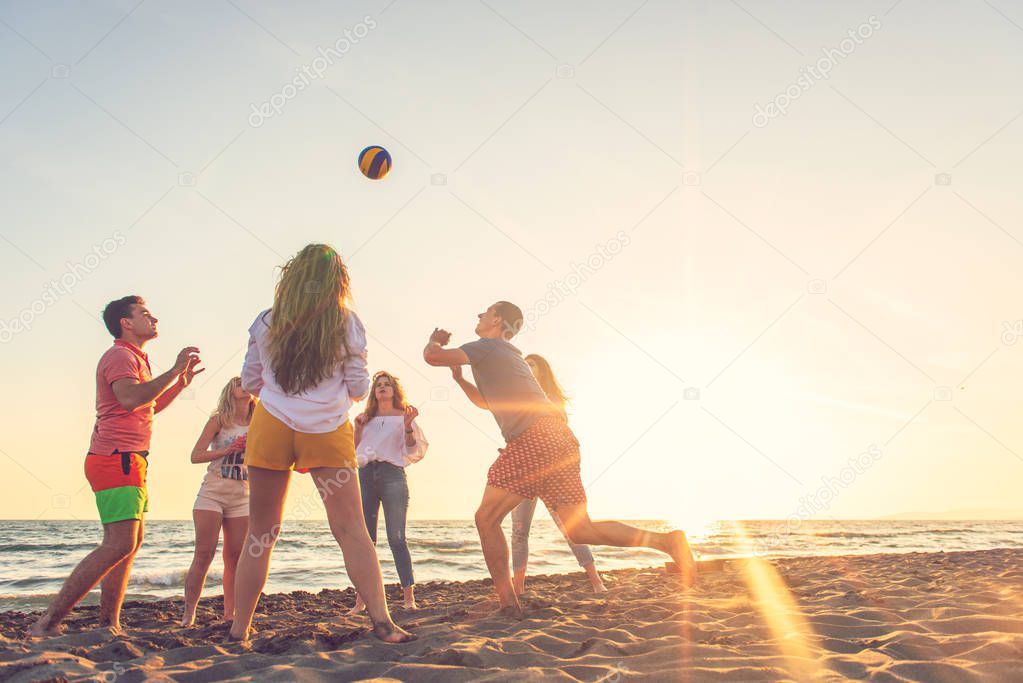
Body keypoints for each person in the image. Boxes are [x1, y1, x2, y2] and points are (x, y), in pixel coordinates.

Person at [424, 301, 696, 615]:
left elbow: (432, 357)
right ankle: (667, 542)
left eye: (484, 312)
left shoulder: (488, 346)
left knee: (486, 519)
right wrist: (460, 380)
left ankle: (508, 603)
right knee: (581, 530)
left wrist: (435, 340)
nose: (479, 315)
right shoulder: (508, 357)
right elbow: (486, 403)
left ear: (497, 319)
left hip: (533, 438)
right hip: (559, 439)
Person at [229, 243, 415, 644]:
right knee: (350, 530)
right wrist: (329, 399)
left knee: (261, 533)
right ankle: (382, 623)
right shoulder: (347, 322)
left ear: (292, 277)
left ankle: (239, 629)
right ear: (338, 282)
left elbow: (249, 383)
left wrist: (283, 397)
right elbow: (359, 386)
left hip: (271, 426)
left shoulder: (265, 321)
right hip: (327, 429)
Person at [29, 296, 202, 637]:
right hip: (116, 458)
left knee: (130, 542)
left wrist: (179, 382)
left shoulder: (136, 358)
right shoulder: (120, 356)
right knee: (119, 543)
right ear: (126, 322)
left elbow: (145, 405)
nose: (153, 318)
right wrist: (174, 370)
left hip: (130, 459)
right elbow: (130, 398)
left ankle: (109, 623)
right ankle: (47, 622)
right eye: (145, 314)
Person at [451, 353, 606, 595]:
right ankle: (518, 586)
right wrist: (461, 380)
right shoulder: (516, 394)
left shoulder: (550, 399)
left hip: (550, 470)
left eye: (531, 364)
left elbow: (552, 434)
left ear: (541, 371)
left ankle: (596, 580)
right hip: (523, 468)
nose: (526, 368)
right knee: (519, 530)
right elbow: (486, 401)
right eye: (525, 365)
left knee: (569, 526)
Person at [350, 371, 427, 613]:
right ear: (374, 392)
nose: (382, 388)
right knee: (366, 541)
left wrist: (406, 428)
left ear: (394, 390)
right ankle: (361, 602)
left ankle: (408, 598)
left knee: (396, 538)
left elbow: (414, 451)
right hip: (366, 476)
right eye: (378, 385)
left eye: (387, 384)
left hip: (392, 475)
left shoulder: (405, 417)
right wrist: (357, 428)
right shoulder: (366, 419)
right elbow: (353, 453)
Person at [180, 377, 254, 627]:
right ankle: (189, 614)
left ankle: (230, 613)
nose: (244, 385)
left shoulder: (259, 422)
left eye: (247, 381)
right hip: (212, 492)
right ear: (230, 392)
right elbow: (195, 455)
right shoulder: (218, 420)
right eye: (238, 383)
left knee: (235, 557)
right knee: (204, 554)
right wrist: (227, 450)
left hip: (242, 495)